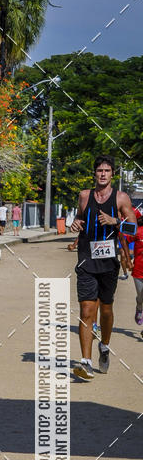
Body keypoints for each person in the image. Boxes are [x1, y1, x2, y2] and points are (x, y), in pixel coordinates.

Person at [70, 155, 136, 380]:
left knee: (106, 310)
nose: (103, 174)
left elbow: (134, 229)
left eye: (107, 171)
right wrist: (75, 223)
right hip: (86, 259)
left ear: (112, 174)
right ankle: (86, 362)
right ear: (94, 173)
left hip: (108, 262)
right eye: (99, 170)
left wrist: (115, 221)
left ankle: (104, 346)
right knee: (87, 311)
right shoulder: (84, 196)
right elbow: (79, 218)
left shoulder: (121, 198)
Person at [130, 208, 143, 325]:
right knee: (141, 297)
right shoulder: (138, 231)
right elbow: (122, 235)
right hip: (139, 270)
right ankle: (139, 307)